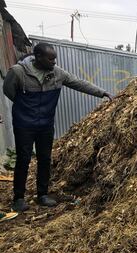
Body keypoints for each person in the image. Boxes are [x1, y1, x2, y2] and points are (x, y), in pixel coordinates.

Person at [2, 42, 113, 212]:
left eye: (55, 59)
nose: (54, 62)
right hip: (24, 124)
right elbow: (8, 90)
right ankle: (18, 198)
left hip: (46, 124)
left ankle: (42, 195)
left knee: (45, 159)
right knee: (23, 159)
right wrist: (24, 107)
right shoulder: (18, 72)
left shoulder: (57, 73)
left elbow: (78, 82)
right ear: (38, 57)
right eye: (50, 58)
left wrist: (101, 92)